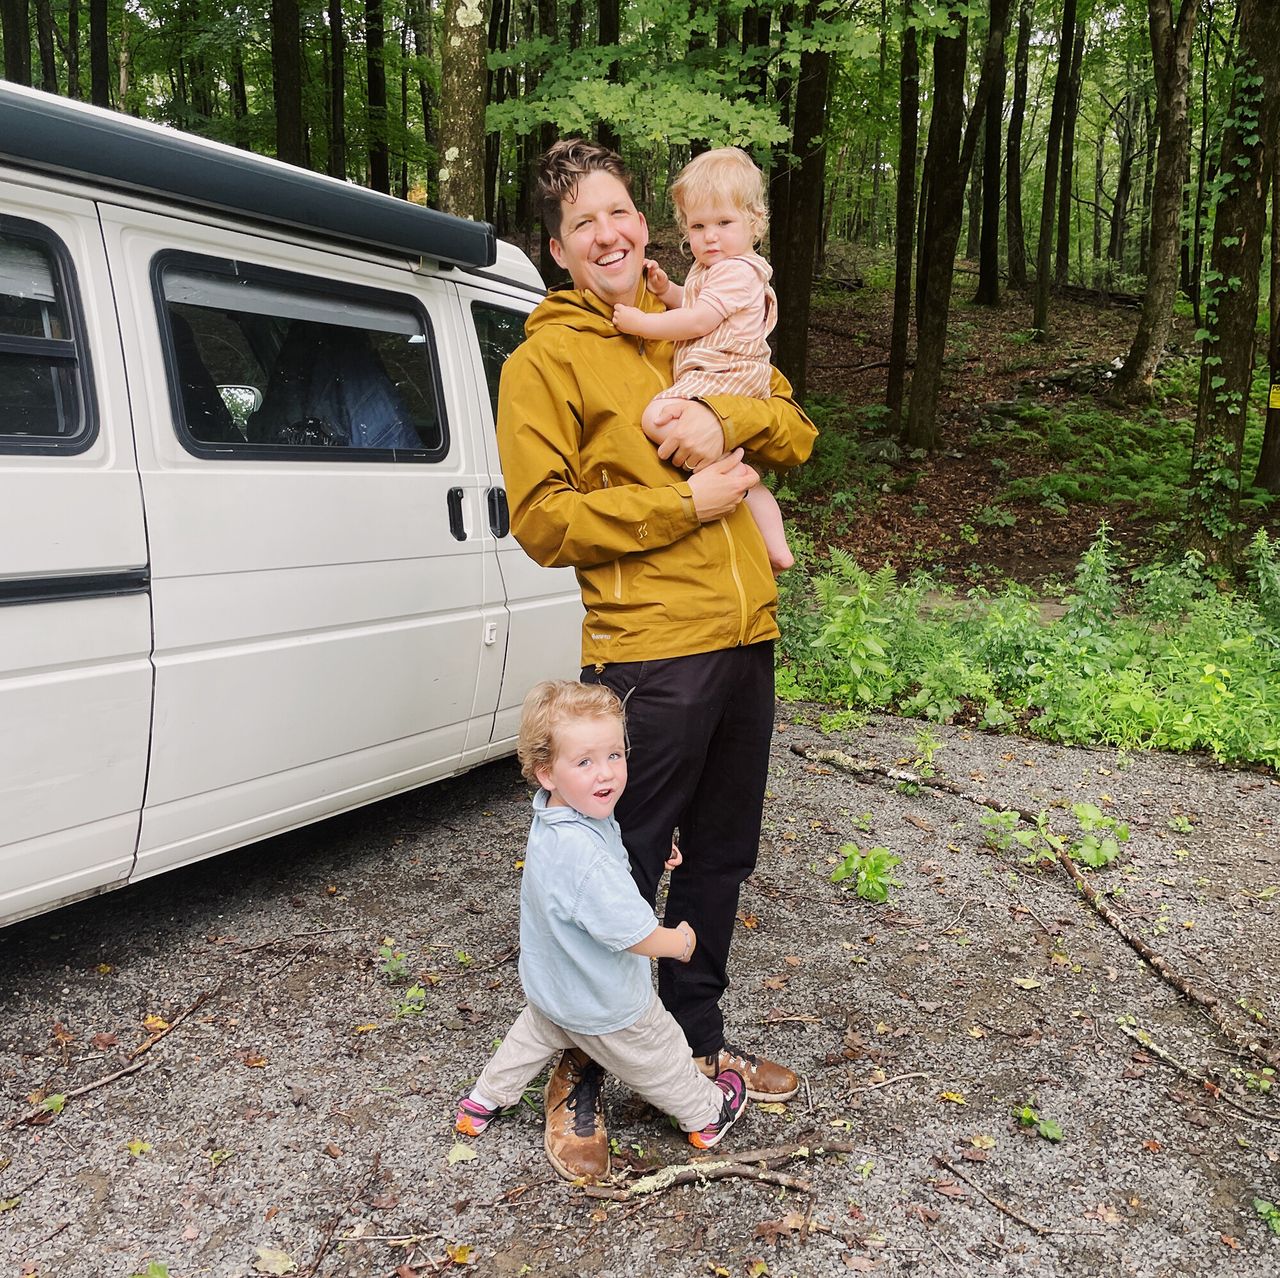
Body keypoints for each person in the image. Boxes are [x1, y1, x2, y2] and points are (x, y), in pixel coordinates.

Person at [496, 137, 816, 1181]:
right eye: (583, 223)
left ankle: (692, 1036)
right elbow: (542, 522)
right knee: (617, 870)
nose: (610, 234)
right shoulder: (543, 359)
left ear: (645, 221)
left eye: (620, 212)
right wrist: (682, 500)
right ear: (555, 249)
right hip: (649, 654)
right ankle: (580, 1067)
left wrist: (725, 415)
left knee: (720, 857)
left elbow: (796, 428)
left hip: (745, 636)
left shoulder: (699, 319)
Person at [454, 681, 749, 1178]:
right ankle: (706, 1114)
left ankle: (482, 1103)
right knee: (660, 1056)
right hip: (607, 1002)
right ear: (546, 771)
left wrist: (657, 853)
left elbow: (597, 853)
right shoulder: (587, 861)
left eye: (615, 754)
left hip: (552, 988)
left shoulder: (557, 813)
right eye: (586, 762)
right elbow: (632, 933)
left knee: (526, 1042)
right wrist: (679, 942)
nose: (606, 773)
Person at [612, 147, 793, 573]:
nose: (709, 237)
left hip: (727, 371)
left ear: (755, 222)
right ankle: (773, 540)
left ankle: (719, 475)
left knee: (657, 417)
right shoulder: (711, 269)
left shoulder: (736, 270)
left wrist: (641, 322)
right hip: (719, 369)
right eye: (698, 226)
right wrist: (665, 290)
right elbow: (692, 304)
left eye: (723, 223)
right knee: (740, 470)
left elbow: (698, 320)